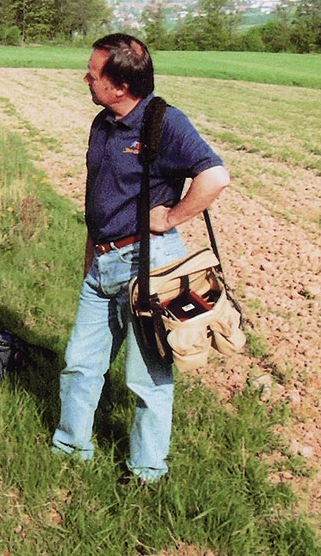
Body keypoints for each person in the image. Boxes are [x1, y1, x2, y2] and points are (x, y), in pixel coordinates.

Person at [52, 33, 230, 483]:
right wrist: (90, 255)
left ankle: (147, 470)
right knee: (80, 362)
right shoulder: (103, 122)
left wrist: (171, 216)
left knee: (147, 375)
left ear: (120, 87)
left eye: (93, 75)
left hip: (147, 265)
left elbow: (215, 176)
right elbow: (99, 196)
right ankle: (71, 449)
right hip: (103, 263)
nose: (86, 79)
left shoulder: (163, 123)